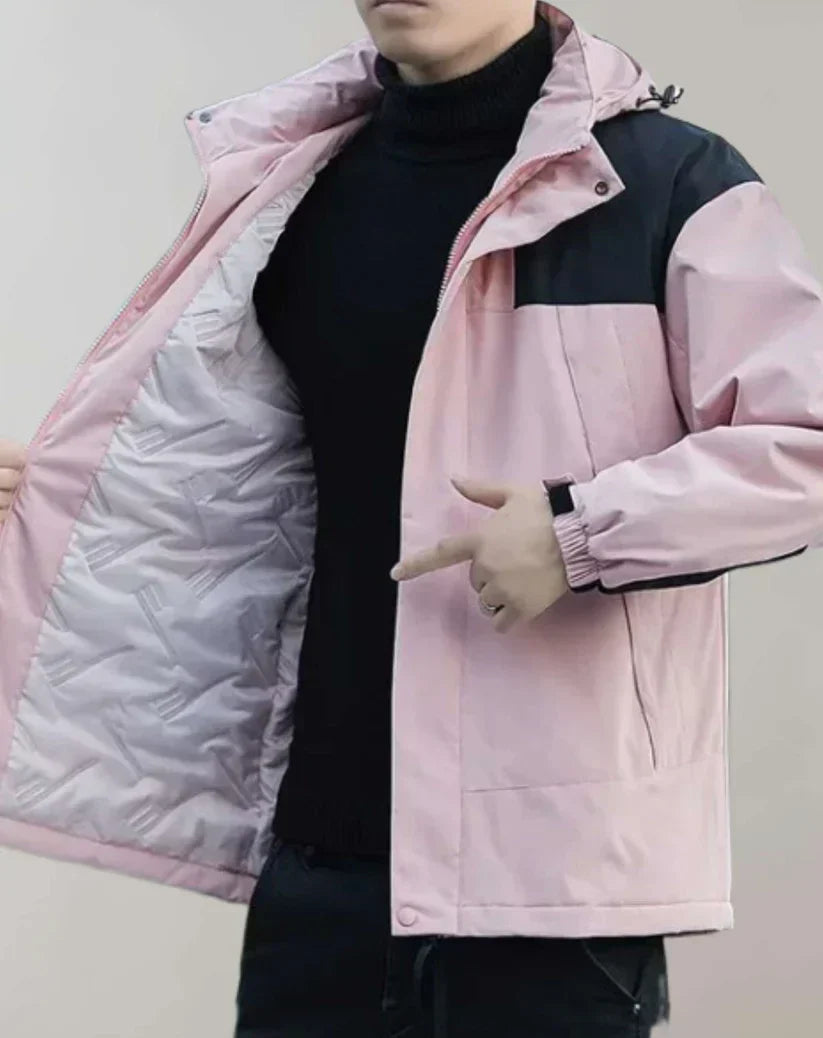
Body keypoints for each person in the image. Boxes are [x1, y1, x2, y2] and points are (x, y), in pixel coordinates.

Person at [1, 1, 822, 1035]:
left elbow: (800, 446)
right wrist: (69, 501)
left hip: (550, 891)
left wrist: (579, 532)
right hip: (317, 870)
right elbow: (266, 487)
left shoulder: (668, 183)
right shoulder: (292, 186)